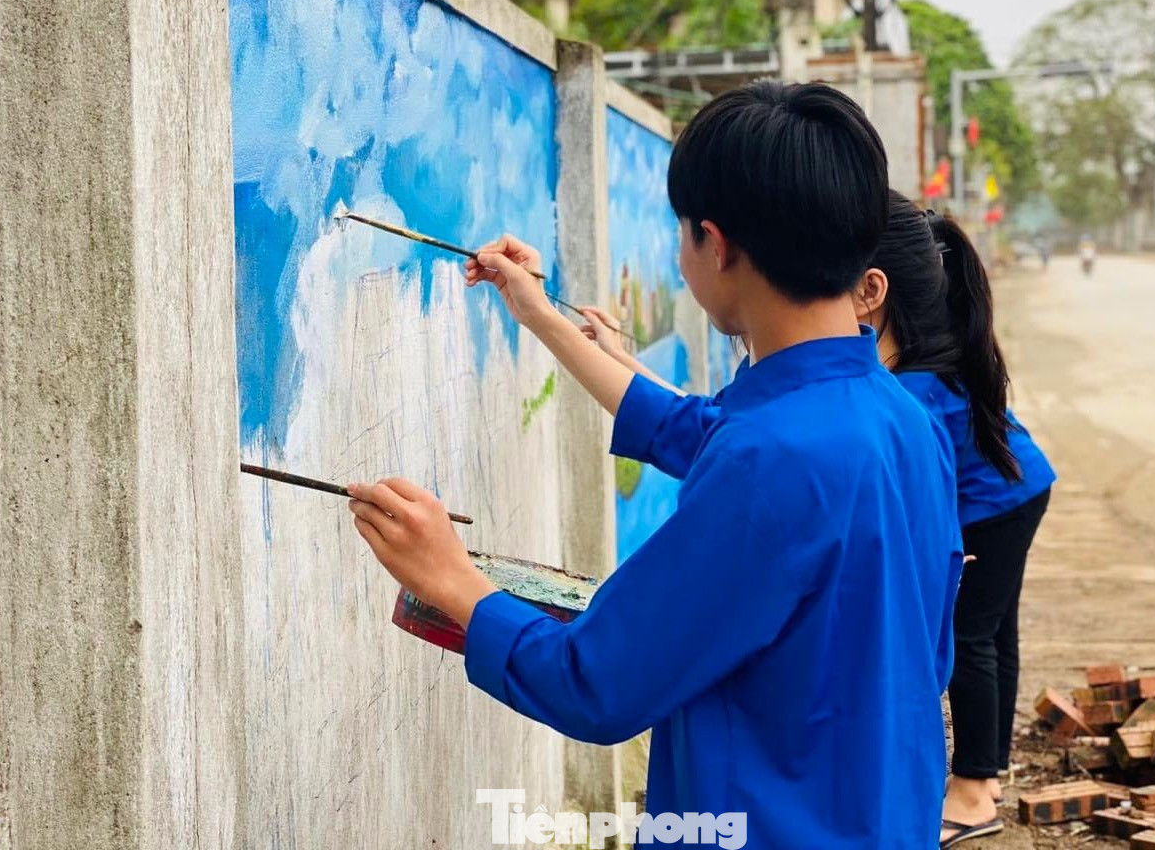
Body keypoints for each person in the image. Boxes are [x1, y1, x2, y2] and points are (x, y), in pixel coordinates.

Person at [345, 82, 962, 847]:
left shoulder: (769, 457)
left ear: (717, 242)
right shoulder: (902, 419)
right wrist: (537, 311)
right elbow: (688, 427)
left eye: (682, 235)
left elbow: (596, 683)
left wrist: (452, 582)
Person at [585, 192, 1054, 848]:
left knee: (977, 635)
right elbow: (703, 427)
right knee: (975, 635)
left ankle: (977, 789)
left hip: (1000, 502)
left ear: (867, 291)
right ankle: (983, 775)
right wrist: (590, 345)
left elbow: (597, 679)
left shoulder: (881, 409)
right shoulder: (861, 403)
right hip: (1004, 491)